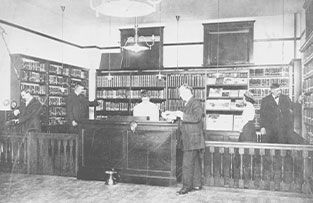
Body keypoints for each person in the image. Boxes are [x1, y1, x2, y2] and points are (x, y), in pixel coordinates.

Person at [163, 84, 205, 195]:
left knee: (187, 163)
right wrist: (173, 117)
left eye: (181, 92)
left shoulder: (195, 102)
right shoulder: (187, 103)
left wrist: (181, 115)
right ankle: (196, 184)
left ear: (188, 91)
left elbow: (196, 118)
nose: (180, 95)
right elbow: (186, 118)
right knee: (194, 162)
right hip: (191, 138)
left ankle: (186, 187)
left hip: (192, 139)